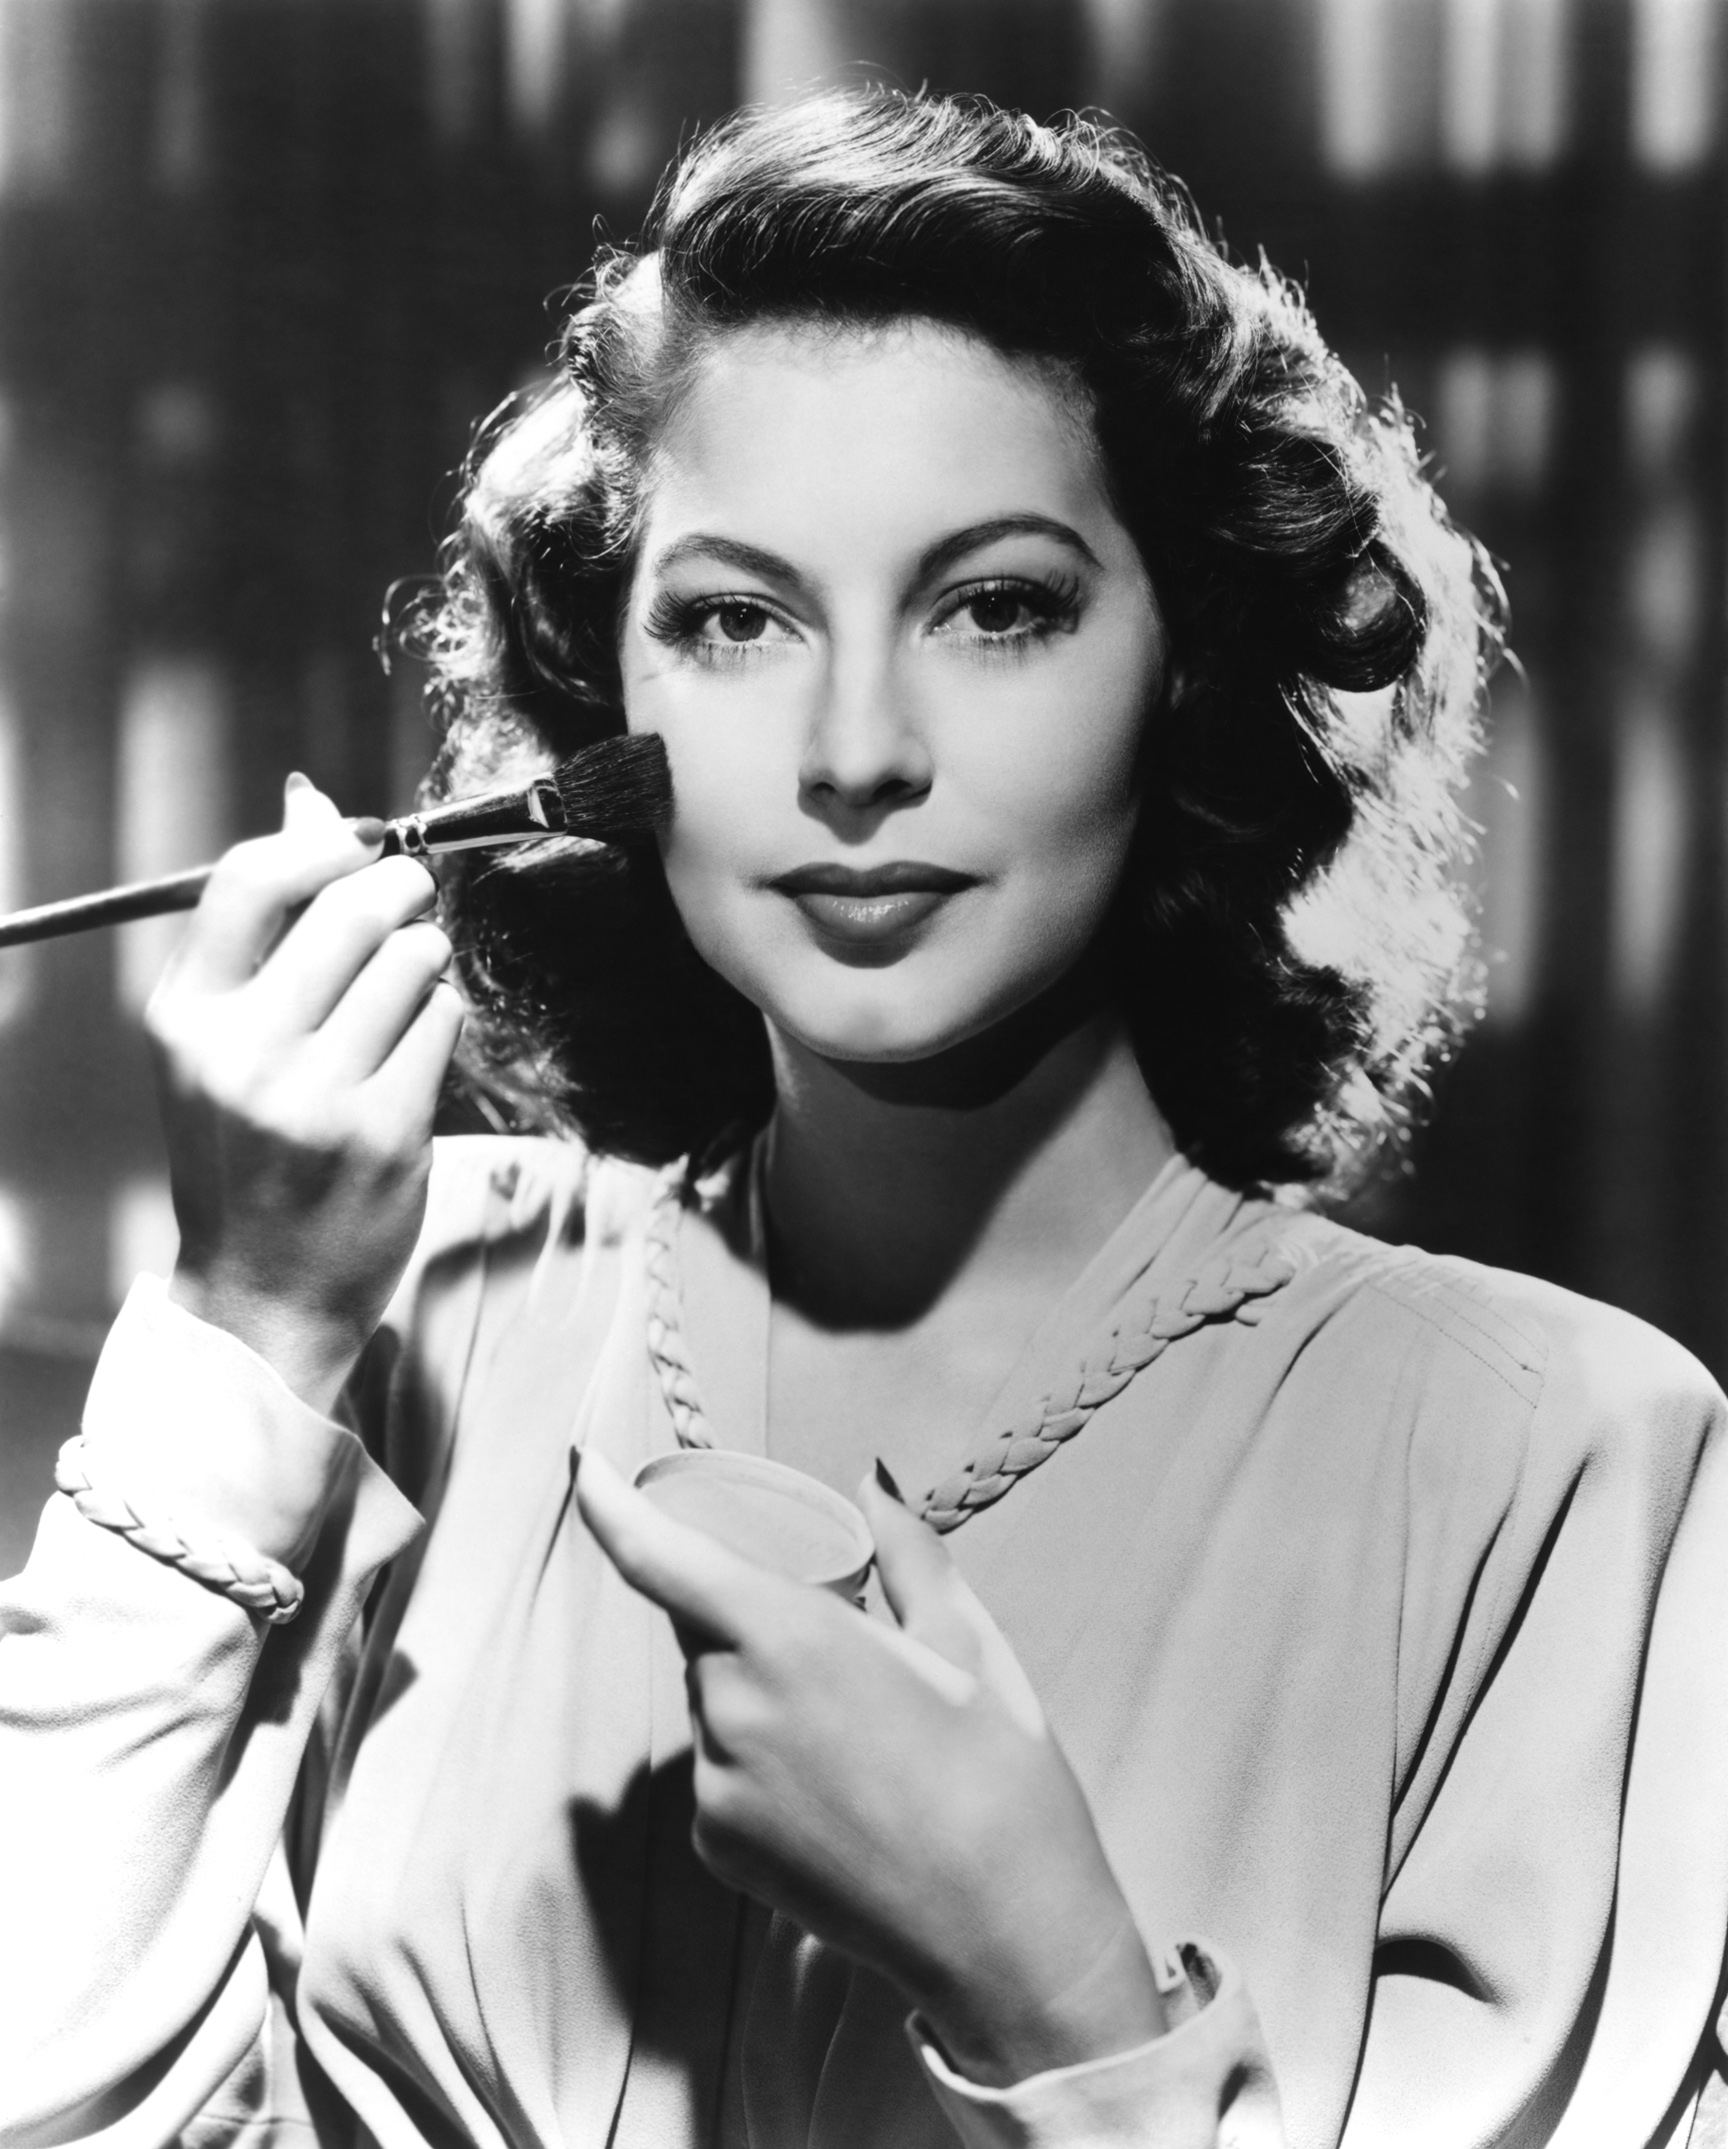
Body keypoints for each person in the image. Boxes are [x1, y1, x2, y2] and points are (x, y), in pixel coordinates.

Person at [3, 87, 1727, 2149]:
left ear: (1188, 661)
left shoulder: (1564, 1465)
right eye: (736, 619)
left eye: (997, 606)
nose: (854, 752)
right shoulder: (413, 1316)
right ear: (615, 695)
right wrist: (241, 1334)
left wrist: (1051, 1983)